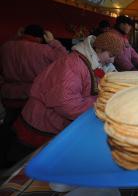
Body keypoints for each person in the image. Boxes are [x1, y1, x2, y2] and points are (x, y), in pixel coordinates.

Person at [8, 31, 124, 162]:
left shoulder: (92, 61)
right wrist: (102, 101)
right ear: (99, 48)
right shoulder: (73, 64)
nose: (112, 60)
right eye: (111, 55)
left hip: (53, 124)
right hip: (40, 126)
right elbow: (66, 104)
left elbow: (105, 75)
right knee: (23, 164)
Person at [0, 24, 67, 125]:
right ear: (42, 37)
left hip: (8, 95)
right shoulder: (44, 50)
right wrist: (53, 42)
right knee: (23, 128)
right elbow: (65, 60)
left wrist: (17, 37)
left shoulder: (5, 47)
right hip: (30, 97)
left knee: (8, 123)